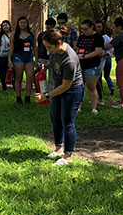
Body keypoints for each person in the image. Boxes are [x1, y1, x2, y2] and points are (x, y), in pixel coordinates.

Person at [35, 29, 85, 166]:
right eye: (46, 46)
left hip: (72, 91)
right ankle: (58, 149)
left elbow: (66, 86)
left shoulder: (70, 59)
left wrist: (46, 95)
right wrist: (47, 66)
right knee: (55, 118)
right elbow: (55, 62)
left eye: (49, 47)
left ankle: (68, 156)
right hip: (59, 87)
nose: (47, 50)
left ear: (59, 43)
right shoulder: (55, 52)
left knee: (68, 122)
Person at [103, 17, 123, 109]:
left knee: (121, 84)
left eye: (114, 27)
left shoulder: (119, 37)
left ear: (119, 27)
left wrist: (97, 44)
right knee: (122, 82)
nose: (113, 29)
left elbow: (107, 47)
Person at [76, 19, 103, 114]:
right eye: (82, 29)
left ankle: (94, 108)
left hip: (92, 65)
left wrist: (84, 57)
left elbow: (98, 51)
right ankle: (79, 107)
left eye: (86, 29)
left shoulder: (98, 37)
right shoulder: (81, 37)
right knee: (79, 86)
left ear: (92, 27)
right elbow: (78, 48)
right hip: (80, 66)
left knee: (91, 86)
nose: (84, 31)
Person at [8, 16, 36, 104]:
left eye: (24, 22)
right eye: (21, 23)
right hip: (18, 57)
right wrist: (9, 59)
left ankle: (28, 97)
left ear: (27, 23)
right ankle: (18, 97)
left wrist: (37, 59)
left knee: (30, 77)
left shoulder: (31, 35)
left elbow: (35, 47)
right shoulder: (14, 34)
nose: (23, 24)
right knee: (18, 78)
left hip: (29, 57)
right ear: (18, 24)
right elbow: (11, 47)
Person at [95, 21, 115, 103]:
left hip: (105, 59)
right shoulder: (93, 36)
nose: (98, 28)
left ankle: (109, 89)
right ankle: (100, 93)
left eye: (100, 26)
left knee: (105, 75)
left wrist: (103, 55)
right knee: (98, 77)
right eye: (97, 26)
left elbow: (110, 51)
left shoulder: (106, 38)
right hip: (96, 60)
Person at [37, 17, 56, 91]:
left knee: (52, 78)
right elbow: (38, 46)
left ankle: (51, 93)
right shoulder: (41, 35)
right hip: (42, 58)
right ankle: (43, 93)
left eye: (51, 25)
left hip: (52, 58)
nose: (49, 27)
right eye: (47, 25)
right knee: (42, 76)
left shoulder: (55, 35)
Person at [0, 20, 12, 91]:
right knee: (2, 71)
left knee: (13, 71)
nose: (5, 27)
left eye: (6, 25)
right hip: (2, 56)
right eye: (3, 26)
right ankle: (4, 85)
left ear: (9, 25)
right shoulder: (0, 36)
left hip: (12, 55)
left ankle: (13, 84)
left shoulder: (14, 35)